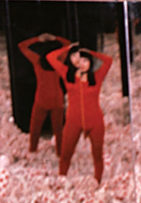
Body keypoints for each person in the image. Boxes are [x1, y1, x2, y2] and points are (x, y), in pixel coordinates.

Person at [46, 42, 113, 183]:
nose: (81, 63)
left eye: (85, 60)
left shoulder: (97, 77)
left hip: (95, 121)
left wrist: (90, 51)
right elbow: (50, 57)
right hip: (73, 121)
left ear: (90, 62)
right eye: (78, 59)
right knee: (65, 155)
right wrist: (68, 49)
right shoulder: (67, 74)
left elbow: (108, 60)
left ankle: (97, 184)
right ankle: (61, 182)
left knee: (97, 155)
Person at [17, 32, 68, 155]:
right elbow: (68, 45)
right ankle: (60, 153)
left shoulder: (37, 61)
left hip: (41, 99)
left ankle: (33, 150)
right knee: (58, 130)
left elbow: (22, 46)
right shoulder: (58, 61)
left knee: (35, 129)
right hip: (57, 100)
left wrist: (38, 39)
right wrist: (55, 37)